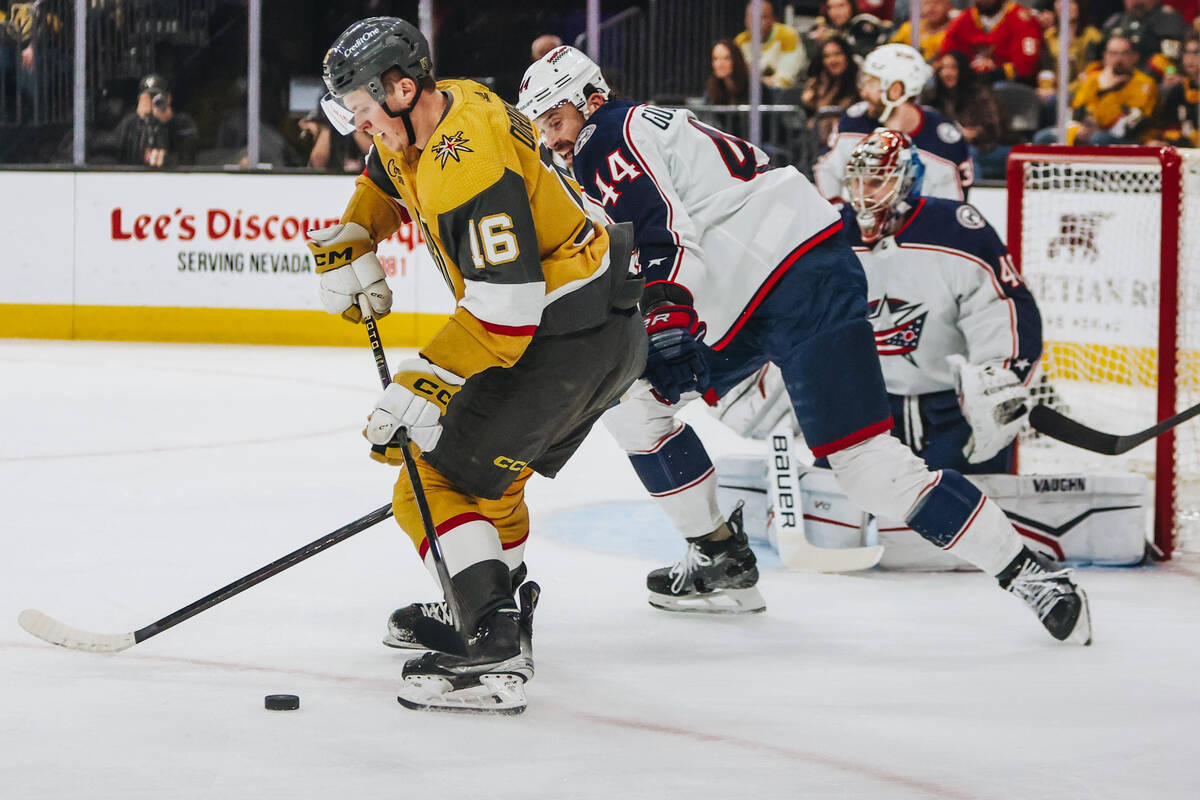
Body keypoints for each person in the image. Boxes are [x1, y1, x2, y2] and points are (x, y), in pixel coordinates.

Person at [517, 46, 1091, 645]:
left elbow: (659, 227)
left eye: (555, 120)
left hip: (769, 283)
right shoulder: (640, 126)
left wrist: (666, 312)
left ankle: (720, 555)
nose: (553, 139)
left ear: (592, 98)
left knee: (648, 414)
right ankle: (1026, 571)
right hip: (796, 273)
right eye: (541, 127)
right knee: (861, 463)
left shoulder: (604, 135)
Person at [309, 19, 647, 714]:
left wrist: (427, 378)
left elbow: (508, 305)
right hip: (603, 326)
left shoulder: (467, 162)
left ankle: (491, 639)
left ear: (402, 89)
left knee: (427, 477)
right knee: (493, 485)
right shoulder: (438, 107)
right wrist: (355, 233)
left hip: (559, 335)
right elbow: (385, 175)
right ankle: (488, 604)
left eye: (367, 112)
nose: (363, 130)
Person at [815, 44, 973, 202]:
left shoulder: (945, 141)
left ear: (896, 90)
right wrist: (837, 208)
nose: (864, 92)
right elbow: (826, 169)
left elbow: (952, 211)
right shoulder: (853, 123)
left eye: (871, 83)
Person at [1034, 32, 1159, 143]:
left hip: (1130, 139)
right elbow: (1077, 111)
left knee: (1099, 138)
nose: (1118, 59)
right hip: (1091, 132)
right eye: (1113, 53)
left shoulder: (1144, 84)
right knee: (1043, 137)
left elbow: (1128, 128)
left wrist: (1108, 90)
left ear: (1134, 57)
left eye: (1124, 54)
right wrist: (1078, 129)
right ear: (1105, 56)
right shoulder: (1093, 78)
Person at [926, 50, 1007, 178]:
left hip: (982, 147)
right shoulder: (931, 96)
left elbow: (993, 128)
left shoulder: (979, 93)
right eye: (943, 68)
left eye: (953, 67)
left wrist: (975, 133)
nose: (947, 73)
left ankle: (969, 194)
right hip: (943, 148)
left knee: (968, 154)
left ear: (962, 69)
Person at [938, 0, 1044, 85]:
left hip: (1009, 83)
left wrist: (993, 75)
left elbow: (1027, 63)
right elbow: (947, 53)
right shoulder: (962, 19)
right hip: (966, 82)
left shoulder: (1022, 19)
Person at [112, 74, 198, 168]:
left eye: (157, 97)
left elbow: (188, 156)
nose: (153, 102)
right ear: (140, 100)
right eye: (148, 98)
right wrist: (143, 120)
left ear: (168, 99)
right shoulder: (129, 124)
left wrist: (167, 122)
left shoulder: (182, 122)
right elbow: (113, 153)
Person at [1102, 0, 1189, 78]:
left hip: (1155, 79)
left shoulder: (1168, 19)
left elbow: (1173, 62)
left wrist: (1170, 74)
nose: (1135, 1)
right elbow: (1097, 55)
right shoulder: (1115, 22)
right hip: (1116, 77)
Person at [734, 0, 808, 90]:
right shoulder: (740, 41)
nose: (756, 23)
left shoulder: (788, 36)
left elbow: (786, 78)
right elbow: (736, 78)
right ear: (745, 20)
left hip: (785, 94)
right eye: (752, 17)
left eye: (762, 17)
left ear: (773, 19)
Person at [806, 0, 893, 59]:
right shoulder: (826, 28)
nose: (835, 12)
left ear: (851, 6)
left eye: (841, 6)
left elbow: (862, 55)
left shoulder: (862, 24)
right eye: (830, 7)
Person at [800, 36, 861, 117]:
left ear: (847, 56)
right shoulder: (818, 80)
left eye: (837, 54)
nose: (832, 60)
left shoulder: (858, 81)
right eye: (827, 56)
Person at [1160, 31, 1200, 145]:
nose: (1190, 58)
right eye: (1186, 52)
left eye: (1196, 52)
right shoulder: (1178, 90)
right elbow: (1170, 129)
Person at [890, 0, 958, 61]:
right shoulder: (909, 27)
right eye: (927, 3)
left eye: (937, 3)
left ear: (949, 6)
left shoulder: (955, 32)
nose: (931, 8)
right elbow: (892, 49)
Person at [705, 39, 750, 104]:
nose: (719, 64)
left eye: (726, 58)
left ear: (736, 60)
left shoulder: (753, 89)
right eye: (715, 59)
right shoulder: (711, 89)